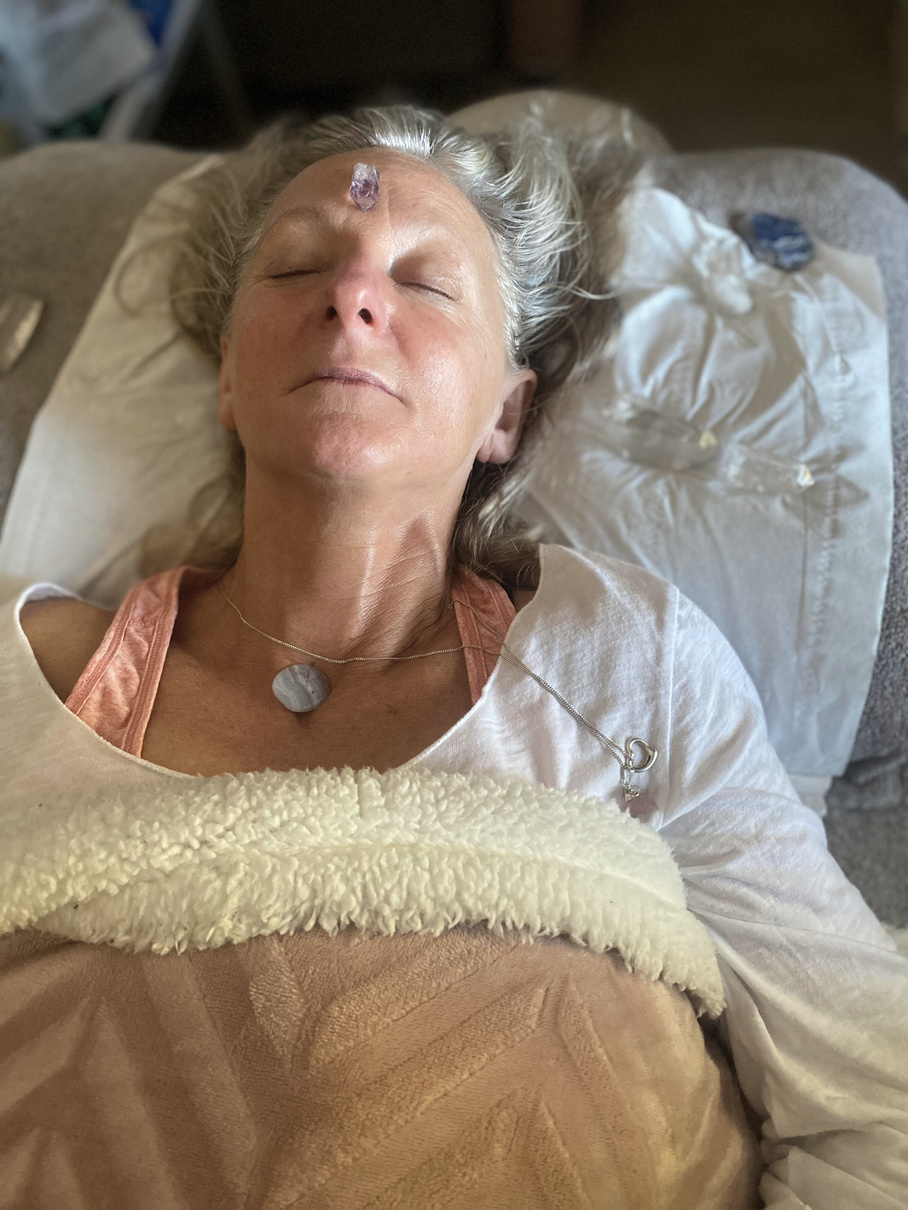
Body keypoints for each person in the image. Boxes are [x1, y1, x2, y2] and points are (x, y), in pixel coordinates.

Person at [2, 107, 906, 1209]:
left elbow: (876, 1097)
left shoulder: (628, 668)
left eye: (425, 283)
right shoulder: (22, 678)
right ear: (227, 378)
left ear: (504, 415)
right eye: (296, 266)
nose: (350, 294)